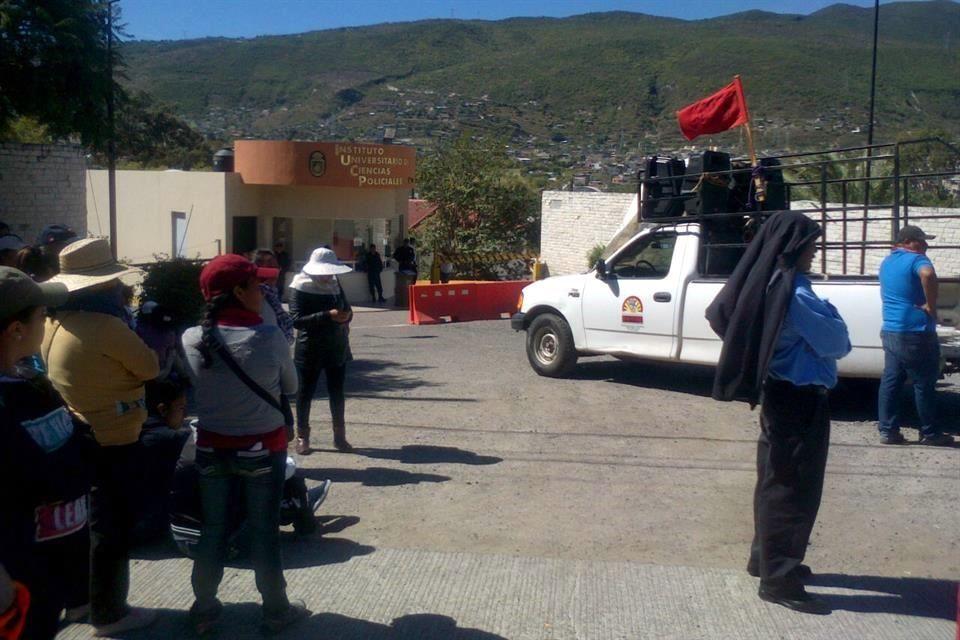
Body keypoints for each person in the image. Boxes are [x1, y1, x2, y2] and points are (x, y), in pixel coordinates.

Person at [706, 212, 850, 616]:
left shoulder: (765, 282)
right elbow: (837, 343)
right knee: (793, 487)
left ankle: (765, 559)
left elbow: (723, 316)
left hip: (779, 394)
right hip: (800, 398)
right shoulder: (797, 292)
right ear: (794, 246)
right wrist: (834, 316)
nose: (815, 249)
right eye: (812, 242)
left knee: (774, 480)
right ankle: (779, 578)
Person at [181, 254, 309, 635]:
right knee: (264, 531)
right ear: (238, 291)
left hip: (211, 449)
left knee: (213, 529)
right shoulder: (268, 338)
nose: (265, 291)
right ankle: (275, 609)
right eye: (258, 285)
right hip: (262, 450)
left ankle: (203, 608)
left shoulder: (190, 337)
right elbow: (292, 388)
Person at [41, 238, 160, 636]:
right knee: (113, 528)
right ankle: (110, 613)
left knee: (87, 525)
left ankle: (82, 601)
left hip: (78, 433)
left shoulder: (52, 322)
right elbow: (149, 366)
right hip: (115, 437)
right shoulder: (108, 325)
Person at [0, 266, 99, 639]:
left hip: (51, 574)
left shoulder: (30, 383)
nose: (49, 321)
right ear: (16, 329)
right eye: (43, 315)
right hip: (16, 582)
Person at [877, 225, 953, 447]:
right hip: (915, 332)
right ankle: (930, 433)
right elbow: (927, 274)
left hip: (891, 329)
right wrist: (931, 305)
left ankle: (888, 431)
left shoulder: (888, 262)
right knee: (924, 383)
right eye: (922, 241)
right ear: (909, 241)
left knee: (891, 381)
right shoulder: (917, 260)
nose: (926, 245)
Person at [289, 247, 354, 455]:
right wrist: (328, 315)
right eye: (324, 272)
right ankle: (302, 437)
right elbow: (296, 320)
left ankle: (339, 436)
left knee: (337, 393)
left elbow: (346, 307)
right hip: (310, 348)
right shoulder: (300, 286)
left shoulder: (335, 283)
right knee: (305, 394)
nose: (327, 276)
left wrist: (347, 315)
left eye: (330, 271)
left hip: (336, 346)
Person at [135, 378, 191, 543]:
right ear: (163, 409)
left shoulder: (131, 430)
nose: (186, 414)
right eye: (181, 408)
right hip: (147, 528)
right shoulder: (169, 438)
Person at [255, 250, 295, 346]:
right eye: (270, 268)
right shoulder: (258, 295)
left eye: (277, 268)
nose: (275, 272)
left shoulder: (273, 294)